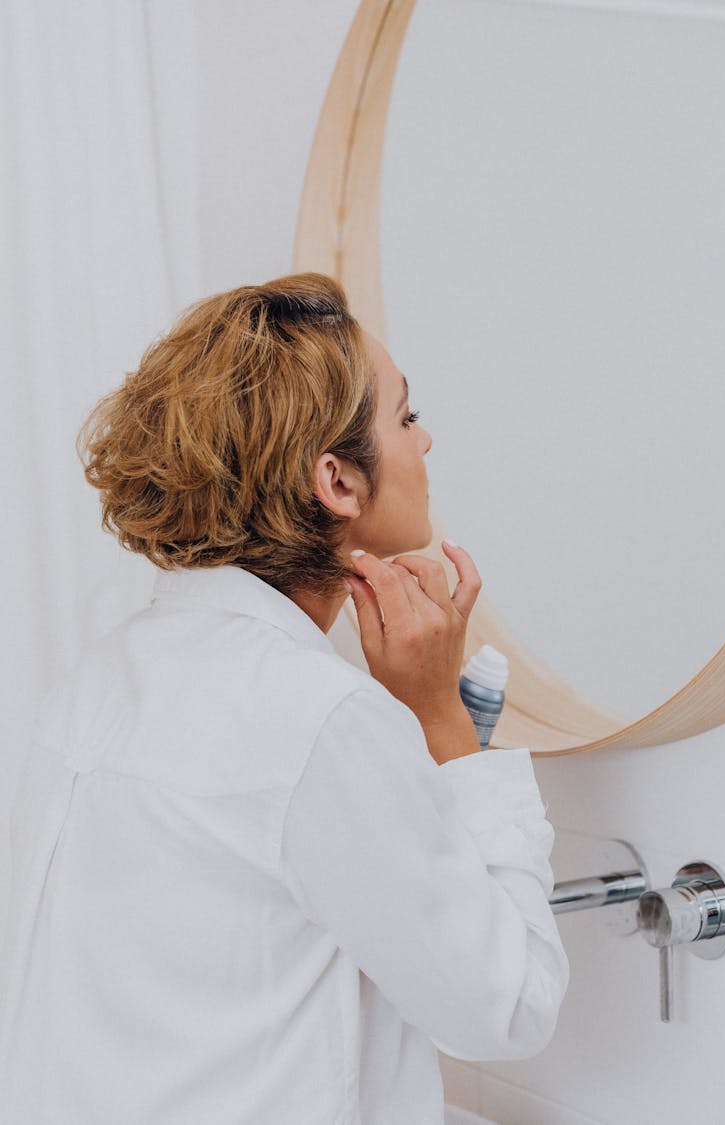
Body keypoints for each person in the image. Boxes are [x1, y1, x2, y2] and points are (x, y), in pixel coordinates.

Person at [0, 273, 569, 1124]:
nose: (426, 442)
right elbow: (508, 1007)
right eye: (406, 416)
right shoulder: (320, 719)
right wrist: (441, 720)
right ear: (337, 482)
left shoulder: (99, 680)